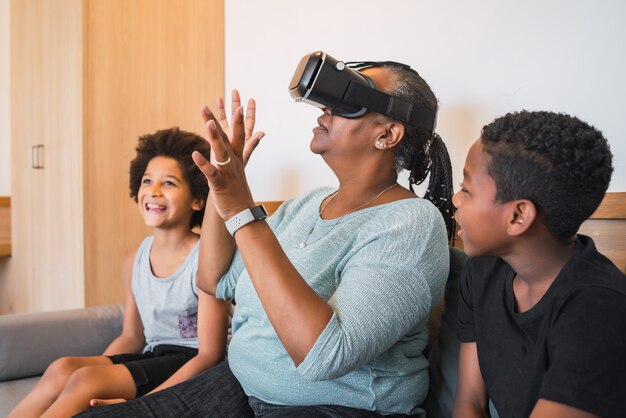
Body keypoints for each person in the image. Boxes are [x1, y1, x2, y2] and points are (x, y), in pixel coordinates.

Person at [76, 57, 456, 417]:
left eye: (346, 103)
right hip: (240, 386)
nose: (323, 110)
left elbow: (325, 355)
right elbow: (214, 279)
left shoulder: (410, 224)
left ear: (387, 134)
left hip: (336, 407)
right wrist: (223, 182)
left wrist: (243, 210)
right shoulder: (304, 206)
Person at [8, 128, 230, 418]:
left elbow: (210, 355)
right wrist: (92, 370)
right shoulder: (134, 261)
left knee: (86, 380)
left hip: (195, 363)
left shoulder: (206, 260)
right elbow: (131, 336)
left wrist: (143, 401)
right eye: (147, 180)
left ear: (198, 200)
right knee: (63, 368)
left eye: (169, 183)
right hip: (154, 355)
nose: (153, 190)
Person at [452, 111, 626, 418]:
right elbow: (470, 402)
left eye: (467, 189)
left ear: (518, 216)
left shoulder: (599, 311)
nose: (455, 199)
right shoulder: (482, 271)